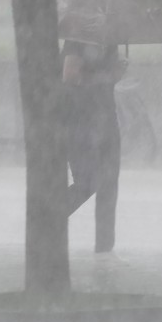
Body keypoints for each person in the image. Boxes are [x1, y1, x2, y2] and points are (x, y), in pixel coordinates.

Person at [62, 38, 124, 252]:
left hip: (106, 117)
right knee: (87, 182)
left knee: (109, 184)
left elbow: (103, 81)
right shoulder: (79, 37)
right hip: (81, 120)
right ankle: (50, 218)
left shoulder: (112, 39)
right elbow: (70, 74)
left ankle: (105, 246)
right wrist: (108, 76)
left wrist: (115, 75)